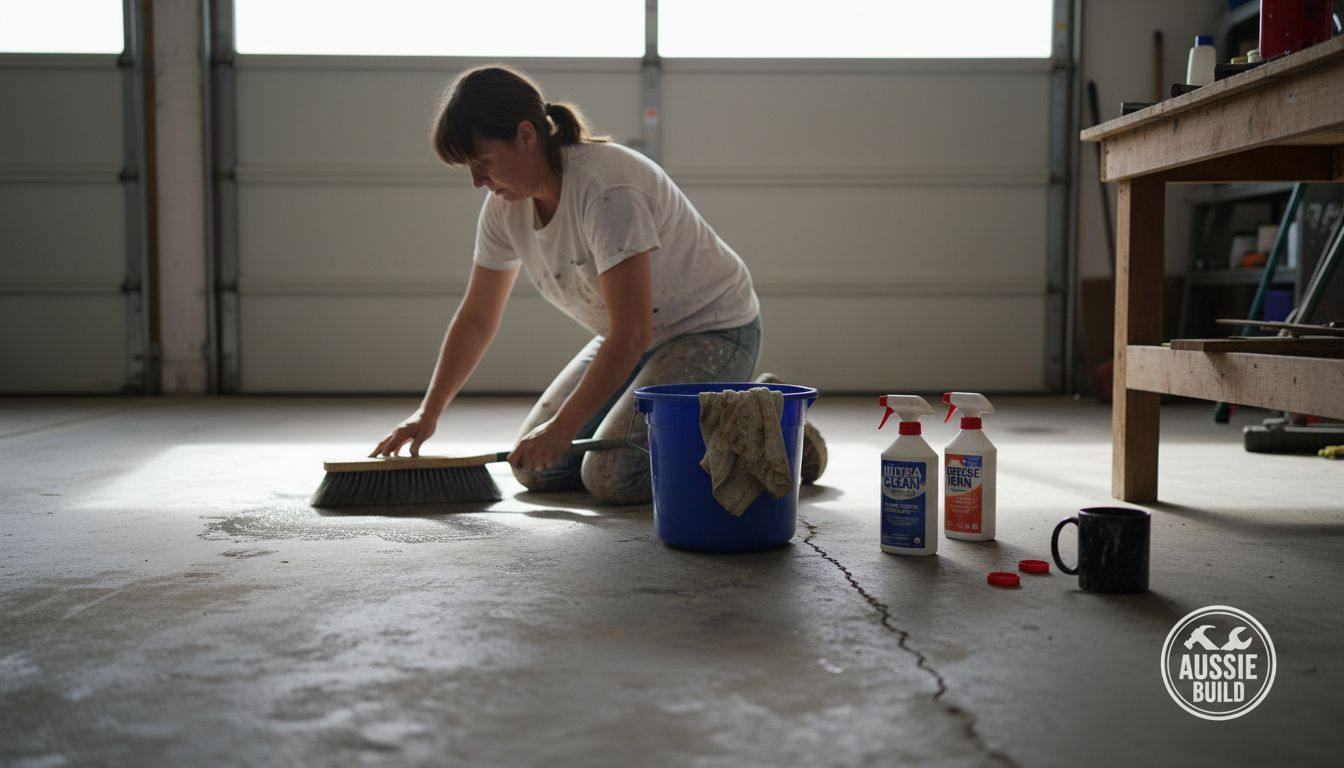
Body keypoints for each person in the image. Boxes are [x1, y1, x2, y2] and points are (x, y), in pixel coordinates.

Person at [369, 65, 763, 504]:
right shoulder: (505, 206)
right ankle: (687, 423)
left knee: (613, 477)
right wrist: (429, 412)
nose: (477, 181)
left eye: (483, 163)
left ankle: (755, 425)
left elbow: (632, 331)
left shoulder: (608, 190)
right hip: (630, 339)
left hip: (710, 330)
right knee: (535, 467)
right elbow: (478, 317)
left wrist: (561, 428)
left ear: (525, 135)